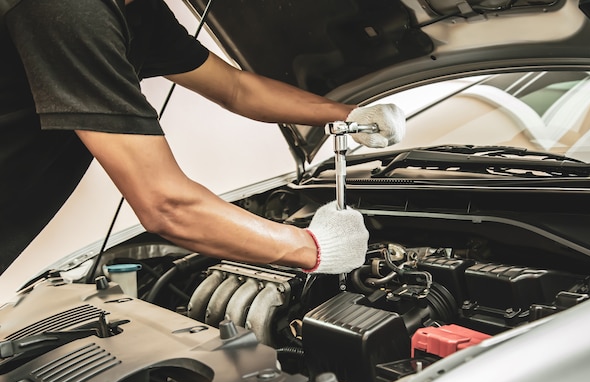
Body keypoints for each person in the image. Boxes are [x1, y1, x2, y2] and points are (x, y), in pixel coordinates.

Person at [0, 0, 405, 276]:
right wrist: (313, 248)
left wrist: (352, 116)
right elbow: (166, 205)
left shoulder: (135, 11)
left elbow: (235, 88)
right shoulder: (67, 11)